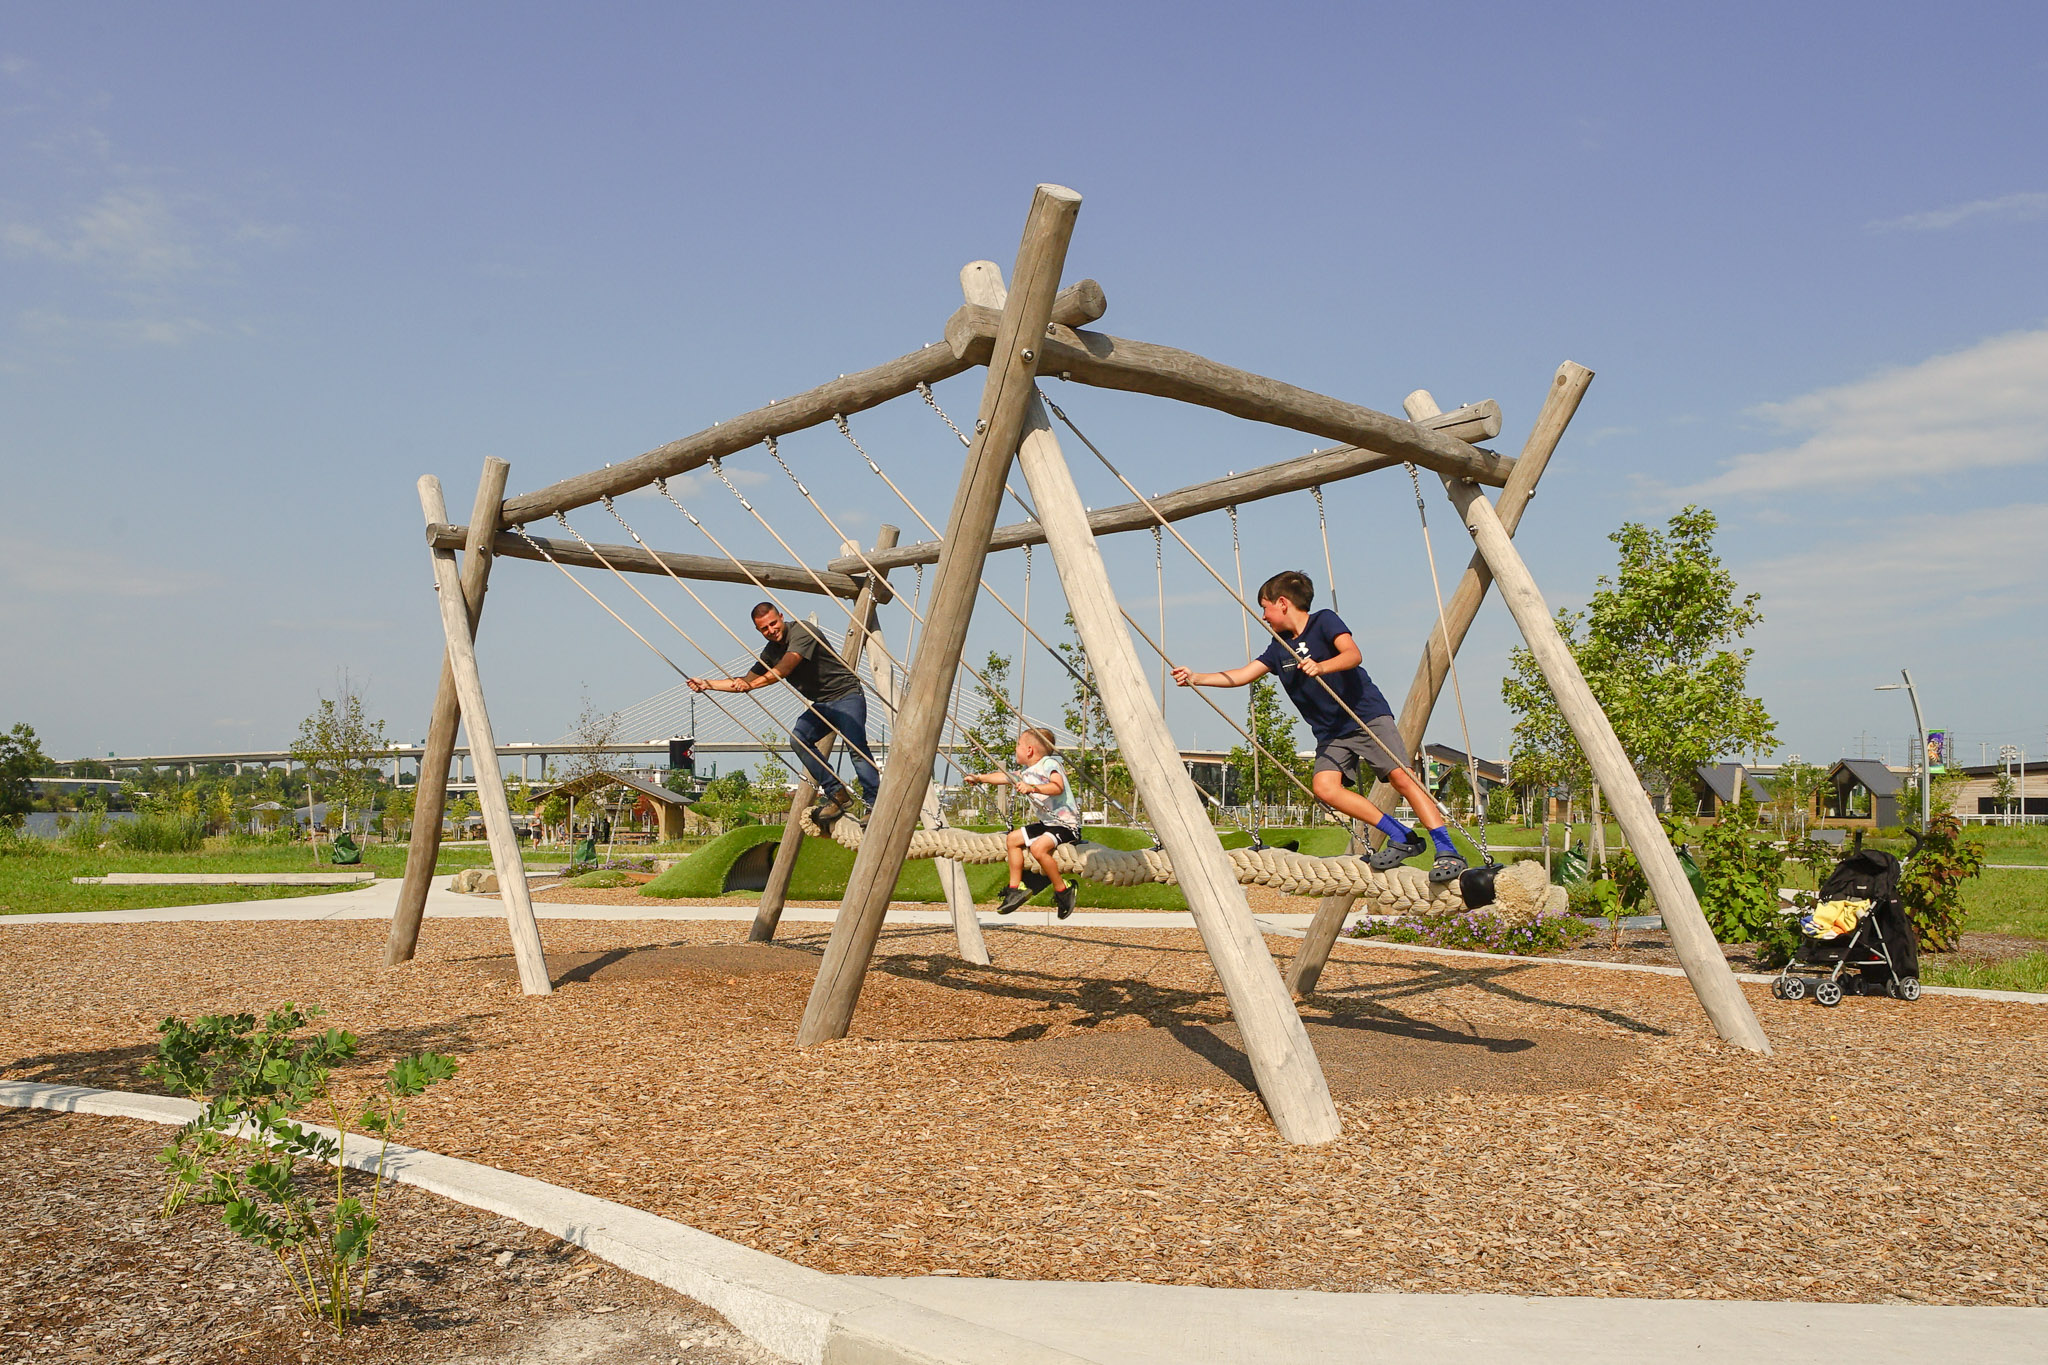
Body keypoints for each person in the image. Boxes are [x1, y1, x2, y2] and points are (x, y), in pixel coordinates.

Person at [1171, 569, 1465, 883]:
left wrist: (1321, 666)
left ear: (1282, 603)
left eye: (1265, 607)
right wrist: (1197, 678)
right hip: (1331, 734)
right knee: (1325, 788)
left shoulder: (1324, 621)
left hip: (1364, 717)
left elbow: (1353, 655)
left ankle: (1447, 850)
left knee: (1402, 778)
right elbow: (1243, 674)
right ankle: (1403, 836)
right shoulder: (1278, 647)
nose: (1264, 616)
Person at [686, 603, 879, 822]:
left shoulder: (803, 631)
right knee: (799, 738)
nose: (771, 630)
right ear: (759, 631)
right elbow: (744, 682)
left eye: (773, 624)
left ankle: (874, 804)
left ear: (781, 617)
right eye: (764, 629)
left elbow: (784, 669)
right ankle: (837, 793)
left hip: (847, 696)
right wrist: (707, 684)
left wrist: (751, 685)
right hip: (823, 703)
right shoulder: (771, 652)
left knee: (857, 749)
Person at [962, 727, 1081, 918]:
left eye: (1018, 745)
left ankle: (1063, 889)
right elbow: (1003, 777)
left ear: (1030, 750)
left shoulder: (1049, 764)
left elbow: (1057, 787)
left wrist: (1032, 788)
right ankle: (1016, 887)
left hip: (1065, 824)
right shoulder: (1027, 772)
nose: (1015, 748)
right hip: (1047, 824)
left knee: (1038, 849)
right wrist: (979, 778)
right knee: (1012, 839)